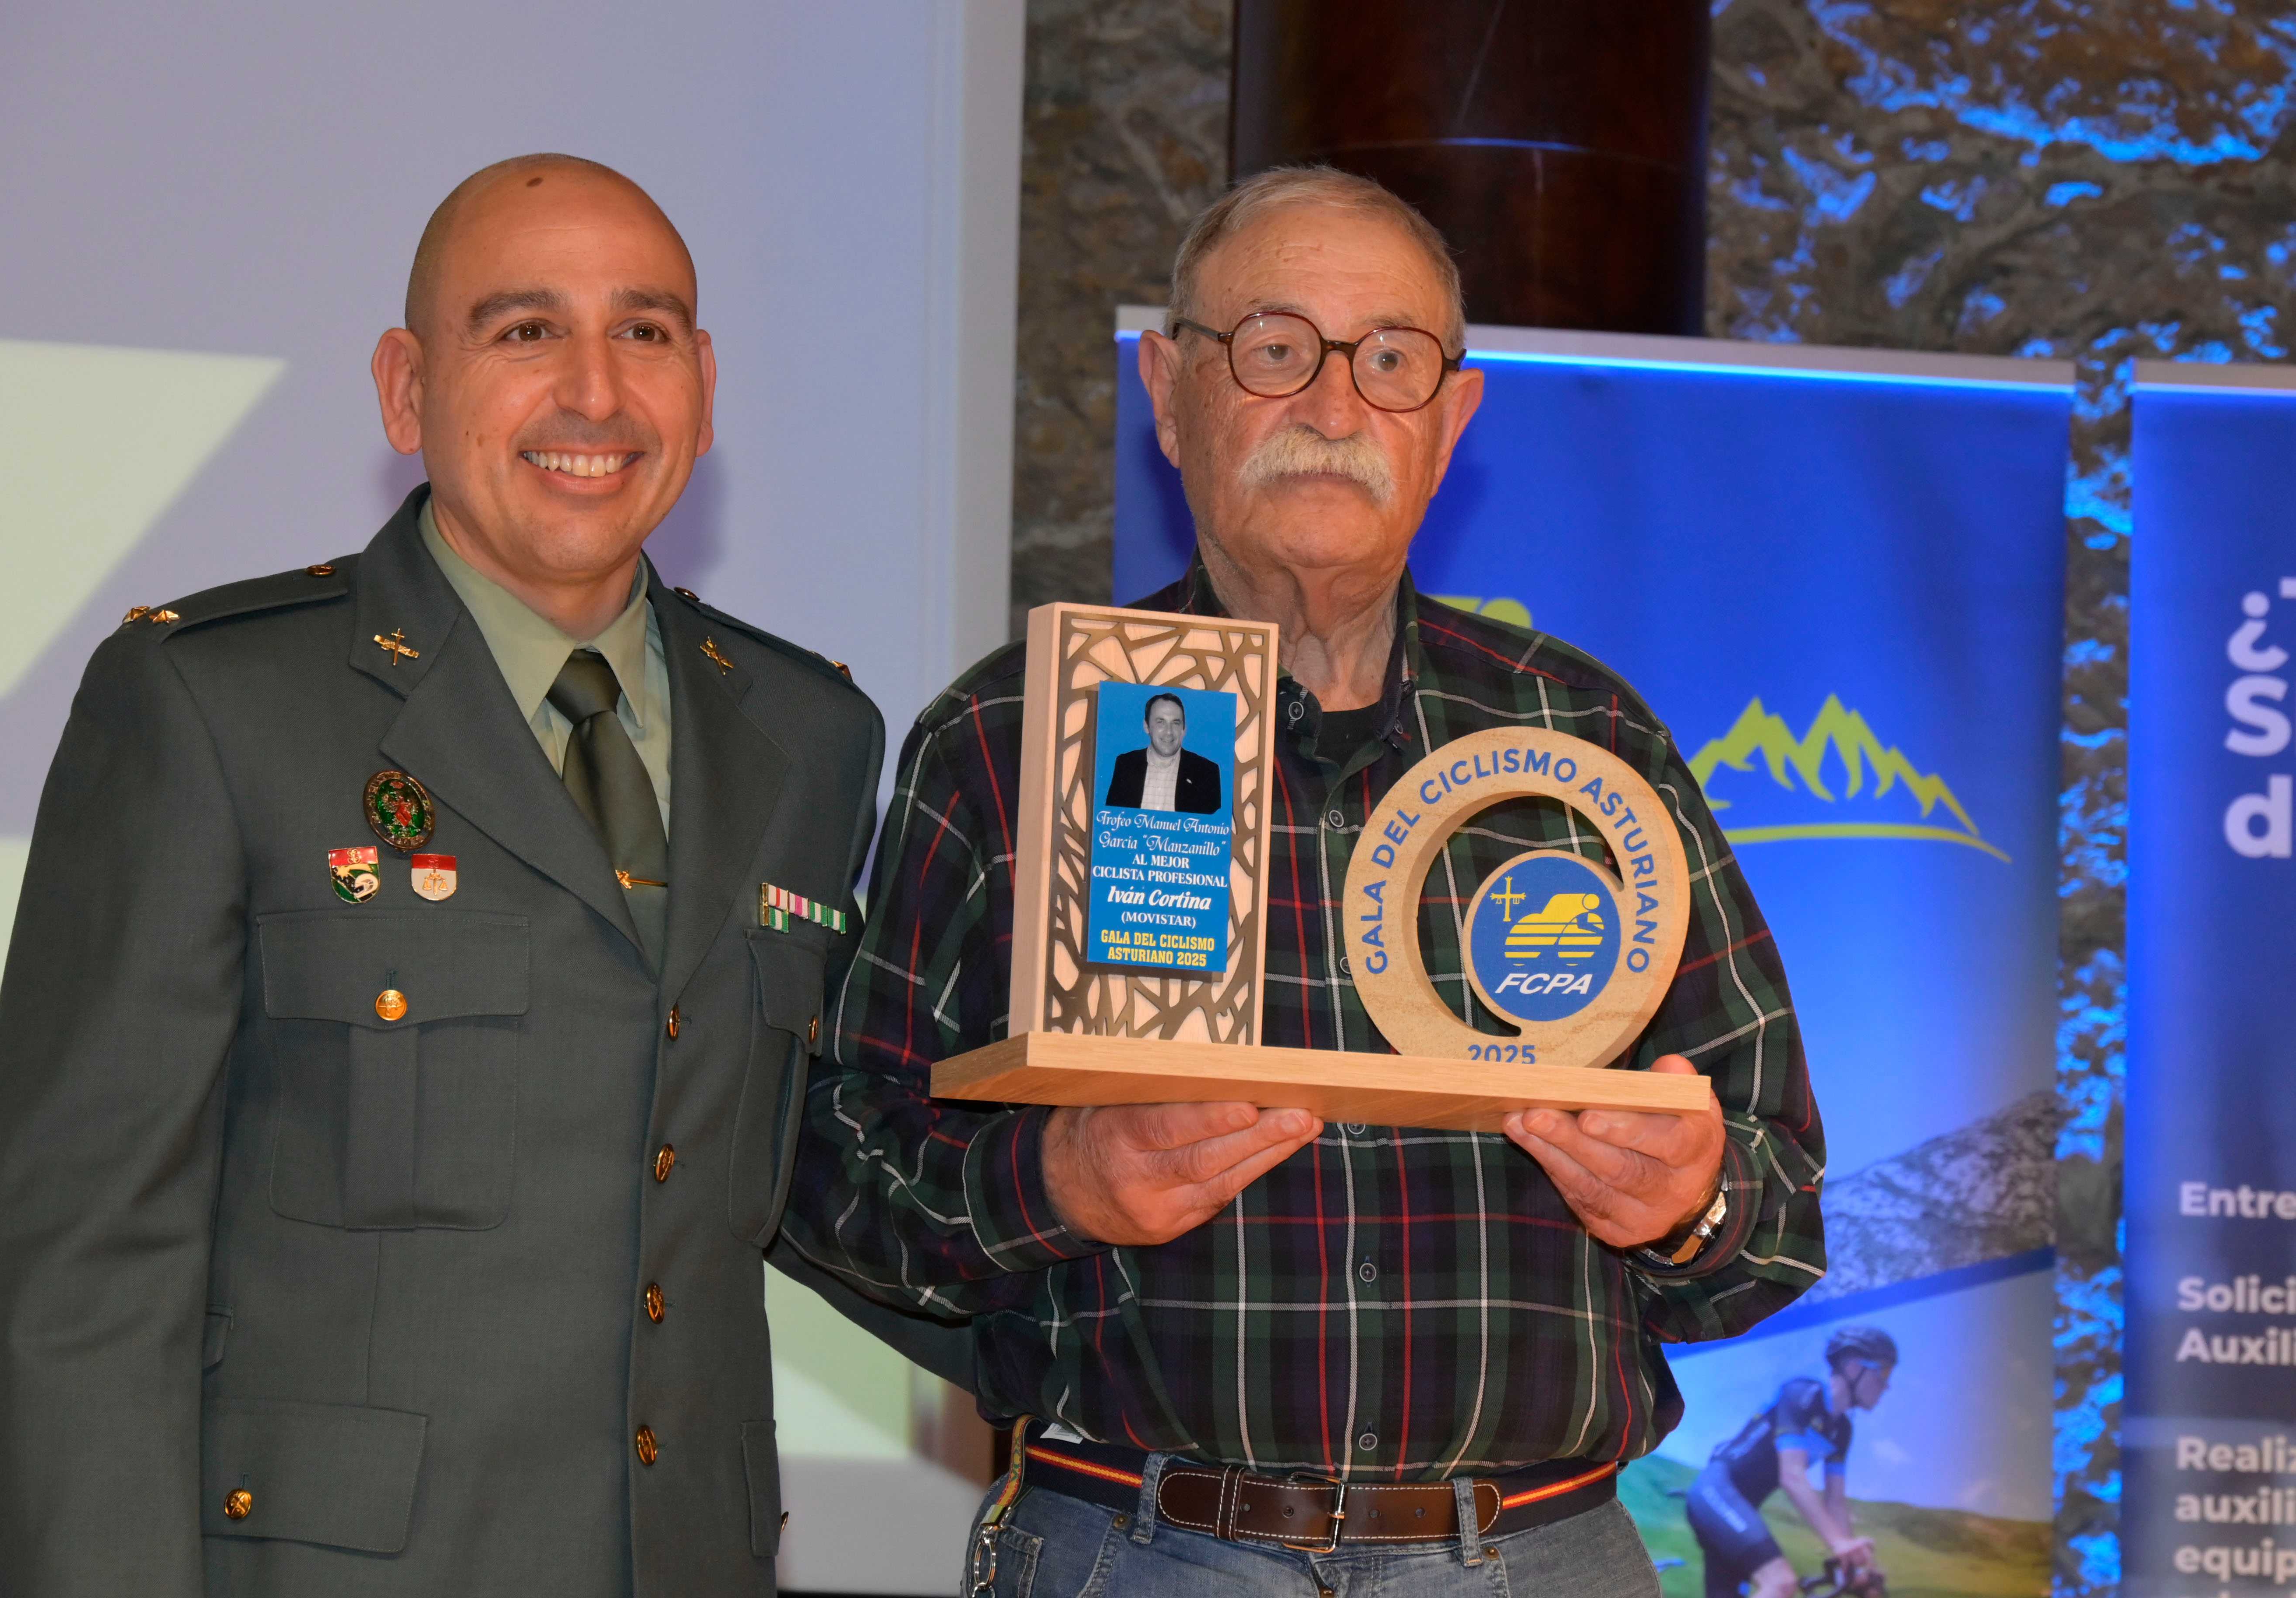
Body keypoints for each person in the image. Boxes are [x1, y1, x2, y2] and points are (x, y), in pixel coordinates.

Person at [781, 165, 1828, 1598]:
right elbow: (828, 1161)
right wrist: (1051, 1180)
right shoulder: (1013, 735)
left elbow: (1776, 1211)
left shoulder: (1587, 743)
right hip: (1131, 1547)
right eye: (1275, 348)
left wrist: (1688, 1202)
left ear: (1451, 419)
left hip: (1532, 1558)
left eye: (1390, 360)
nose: (1334, 407)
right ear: (1167, 391)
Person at [0, 154, 954, 1597]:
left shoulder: (808, 733)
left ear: (704, 380)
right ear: (402, 385)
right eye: (523, 329)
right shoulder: (213, 703)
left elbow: (793, 1158)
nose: (596, 393)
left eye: (646, 329)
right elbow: (84, 1268)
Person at [1686, 1328, 1899, 1598]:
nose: (1887, 1385)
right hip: (1716, 1493)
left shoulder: (1842, 1430)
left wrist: (1854, 1565)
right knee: (1781, 1584)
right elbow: (1793, 1476)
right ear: (1854, 1366)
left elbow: (1835, 1501)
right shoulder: (1802, 1395)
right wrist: (1838, 1544)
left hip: (1739, 1509)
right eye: (1884, 1372)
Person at [1103, 691, 1223, 813]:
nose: (1169, 732)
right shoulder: (1126, 764)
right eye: (1161, 722)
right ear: (1147, 726)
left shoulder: (1207, 772)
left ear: (1184, 730)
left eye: (1175, 723)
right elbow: (1113, 820)